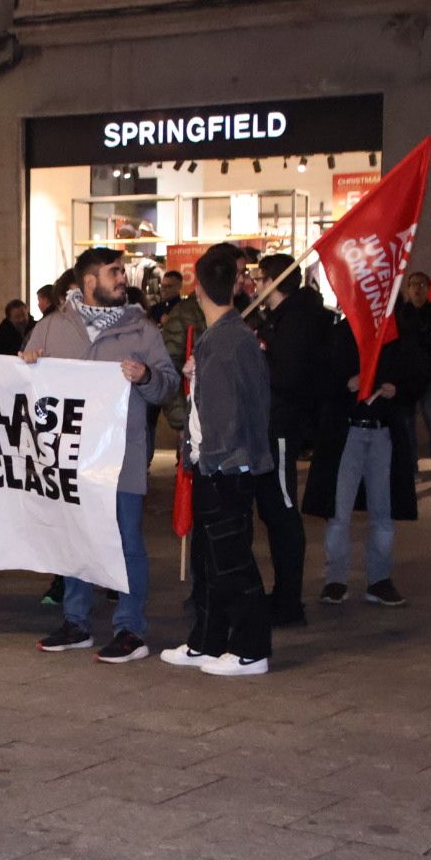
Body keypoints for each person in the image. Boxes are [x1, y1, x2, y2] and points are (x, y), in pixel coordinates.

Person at [25, 248, 179, 663]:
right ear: (89, 281)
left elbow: (168, 384)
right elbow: (23, 384)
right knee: (75, 538)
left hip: (122, 457)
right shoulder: (52, 328)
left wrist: (146, 377)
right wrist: (30, 364)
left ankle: (130, 628)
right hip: (70, 460)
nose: (123, 277)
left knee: (126, 541)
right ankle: (76, 621)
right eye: (114, 272)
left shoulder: (141, 329)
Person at [158, 244, 274, 676]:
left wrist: (212, 460)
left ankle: (250, 648)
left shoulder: (226, 340)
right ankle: (207, 640)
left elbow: (227, 414)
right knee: (211, 561)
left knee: (231, 561)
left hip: (224, 468)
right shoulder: (226, 337)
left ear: (198, 285)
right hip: (219, 466)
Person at [303, 310, 422, 609]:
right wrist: (346, 385)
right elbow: (318, 381)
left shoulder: (394, 333)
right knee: (339, 511)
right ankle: (335, 580)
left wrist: (399, 389)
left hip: (383, 432)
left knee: (383, 510)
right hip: (348, 432)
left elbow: (416, 374)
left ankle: (380, 579)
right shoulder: (341, 334)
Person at [253, 253, 331, 628]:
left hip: (283, 426)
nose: (253, 284)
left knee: (283, 510)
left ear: (273, 280)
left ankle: (289, 600)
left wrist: (258, 356)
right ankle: (283, 593)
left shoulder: (298, 320)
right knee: (273, 510)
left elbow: (288, 375)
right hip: (274, 424)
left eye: (258, 277)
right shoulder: (282, 319)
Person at [396, 271, 431, 486]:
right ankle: (413, 469)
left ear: (428, 288)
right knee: (408, 426)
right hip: (408, 378)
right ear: (408, 289)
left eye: (422, 284)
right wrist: (425, 332)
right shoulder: (402, 313)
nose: (417, 289)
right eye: (413, 284)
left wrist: (425, 334)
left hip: (429, 377)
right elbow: (407, 341)